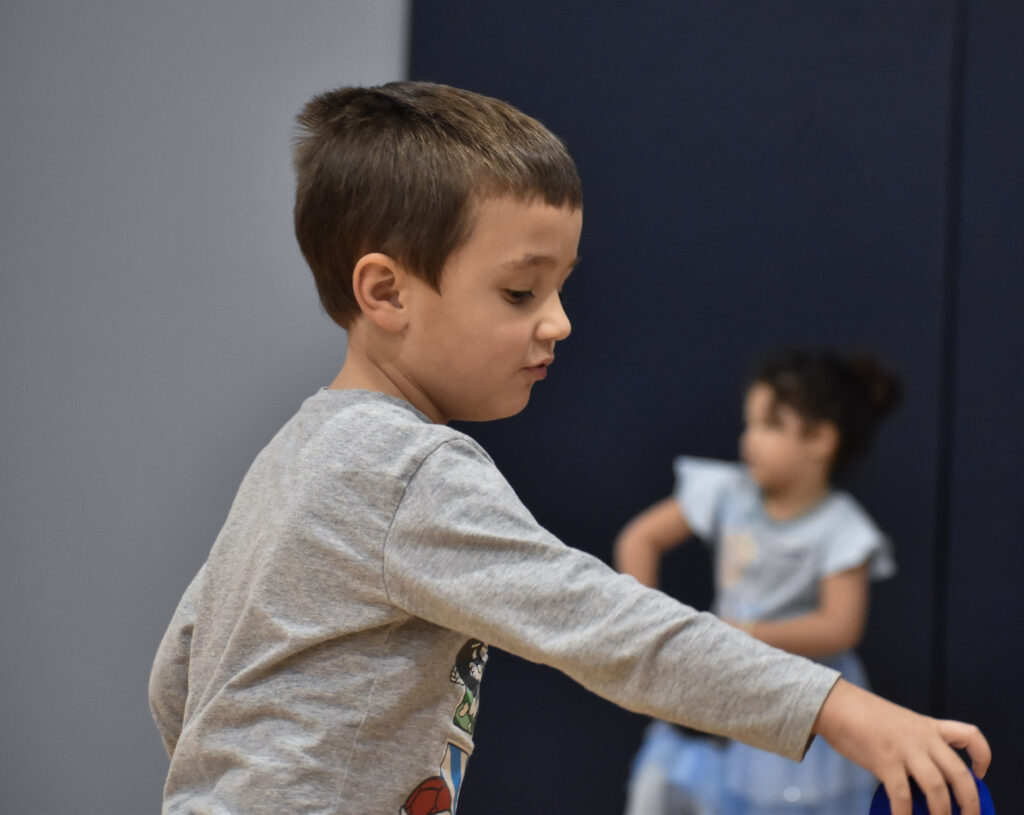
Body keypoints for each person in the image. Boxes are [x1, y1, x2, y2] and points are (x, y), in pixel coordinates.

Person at [148, 82, 989, 815]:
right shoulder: (409, 470)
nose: (558, 322)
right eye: (521, 292)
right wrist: (840, 707)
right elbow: (603, 623)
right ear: (386, 291)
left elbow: (179, 671)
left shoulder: (299, 452)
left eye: (560, 287)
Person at [615, 350, 911, 813]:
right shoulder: (727, 491)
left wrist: (744, 635)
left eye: (770, 425)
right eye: (749, 423)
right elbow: (640, 539)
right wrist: (646, 621)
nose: (749, 439)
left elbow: (840, 627)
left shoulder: (842, 529)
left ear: (820, 440)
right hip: (720, 682)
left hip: (796, 696)